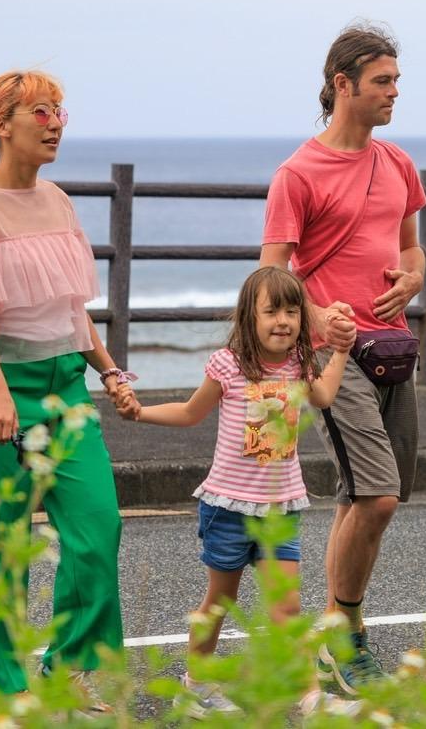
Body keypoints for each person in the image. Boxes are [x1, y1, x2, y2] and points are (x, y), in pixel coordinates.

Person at [0, 70, 134, 724]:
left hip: (65, 389)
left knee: (96, 528)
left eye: (60, 111)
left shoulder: (59, 201)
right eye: (41, 111)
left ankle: (69, 670)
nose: (56, 122)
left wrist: (109, 372)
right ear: (1, 124)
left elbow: (70, 308)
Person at [259, 20, 426, 696]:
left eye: (396, 82)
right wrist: (314, 315)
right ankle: (343, 629)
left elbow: (411, 250)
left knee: (370, 495)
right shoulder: (298, 173)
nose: (393, 94)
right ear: (342, 85)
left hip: (394, 352)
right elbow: (271, 276)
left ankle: (334, 631)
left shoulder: (398, 163)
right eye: (382, 82)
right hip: (334, 357)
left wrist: (414, 277)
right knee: (378, 496)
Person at [115, 266, 351, 716]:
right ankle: (197, 681)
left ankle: (309, 695)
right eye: (271, 311)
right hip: (228, 506)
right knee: (220, 602)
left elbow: (322, 397)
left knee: (287, 606)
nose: (283, 320)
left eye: (292, 311)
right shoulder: (228, 364)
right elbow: (189, 412)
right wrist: (140, 414)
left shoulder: (300, 364)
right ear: (249, 317)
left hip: (281, 506)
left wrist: (339, 351)